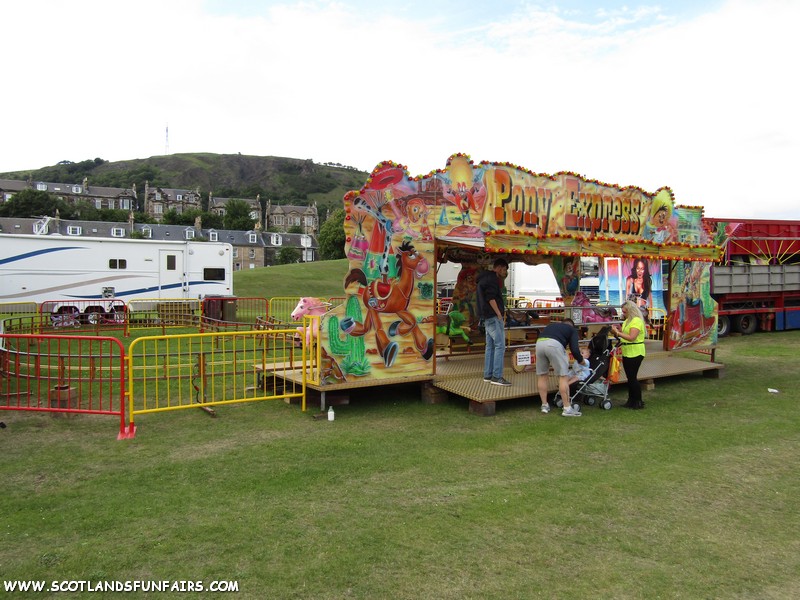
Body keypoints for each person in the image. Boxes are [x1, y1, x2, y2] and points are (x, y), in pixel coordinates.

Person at [536, 317, 584, 417]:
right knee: (563, 377)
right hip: (554, 345)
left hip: (539, 343)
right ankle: (567, 408)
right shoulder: (572, 330)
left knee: (542, 376)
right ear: (572, 326)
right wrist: (581, 360)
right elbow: (574, 349)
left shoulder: (552, 325)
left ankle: (544, 405)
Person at [477, 258, 511, 386]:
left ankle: (488, 374)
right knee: (500, 345)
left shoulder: (483, 279)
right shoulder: (492, 280)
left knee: (490, 346)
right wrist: (499, 314)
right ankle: (497, 376)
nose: (505, 272)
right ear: (499, 268)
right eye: (504, 270)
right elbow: (491, 298)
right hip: (493, 317)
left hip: (486, 316)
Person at [611, 300, 647, 409]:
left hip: (635, 351)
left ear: (631, 311)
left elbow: (632, 337)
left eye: (625, 312)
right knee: (630, 377)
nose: (623, 314)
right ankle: (632, 400)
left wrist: (618, 332)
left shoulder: (636, 321)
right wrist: (617, 332)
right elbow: (623, 336)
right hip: (627, 351)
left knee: (632, 377)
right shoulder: (627, 321)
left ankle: (637, 401)